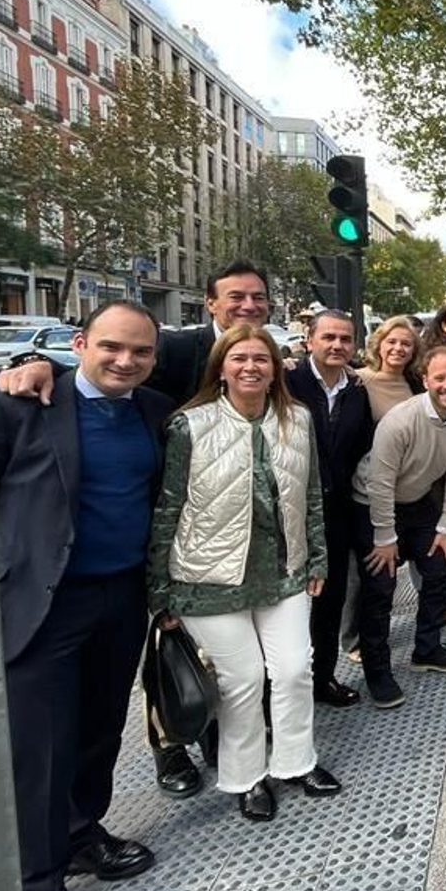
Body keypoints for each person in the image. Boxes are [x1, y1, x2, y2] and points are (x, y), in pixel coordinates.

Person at [0, 259, 274, 799]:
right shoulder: (170, 348)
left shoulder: (262, 356)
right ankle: (168, 747)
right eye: (235, 297)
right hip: (118, 556)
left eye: (257, 297)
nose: (247, 305)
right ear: (211, 302)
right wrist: (33, 362)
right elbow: (98, 368)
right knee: (167, 650)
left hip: (203, 535)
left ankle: (206, 745)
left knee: (204, 657)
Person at [0, 302, 169, 891]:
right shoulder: (18, 406)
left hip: (120, 597)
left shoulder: (151, 412)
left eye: (141, 353)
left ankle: (82, 833)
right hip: (44, 606)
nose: (126, 361)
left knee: (99, 728)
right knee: (42, 745)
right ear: (79, 343)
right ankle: (37, 882)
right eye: (113, 347)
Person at [147, 324, 340, 823]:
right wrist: (159, 590)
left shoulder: (296, 420)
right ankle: (247, 777)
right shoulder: (190, 425)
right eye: (240, 358)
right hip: (208, 578)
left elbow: (312, 495)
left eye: (262, 358)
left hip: (284, 571)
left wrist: (317, 555)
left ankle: (296, 761)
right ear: (222, 368)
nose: (251, 367)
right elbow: (168, 507)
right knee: (243, 680)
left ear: (276, 367)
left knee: (296, 669)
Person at [356, 346, 446, 699]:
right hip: (372, 504)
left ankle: (427, 650)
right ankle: (377, 672)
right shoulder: (400, 420)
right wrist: (385, 536)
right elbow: (380, 482)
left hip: (418, 500)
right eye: (439, 377)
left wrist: (445, 529)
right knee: (381, 588)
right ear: (425, 380)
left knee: (440, 568)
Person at [283, 310, 373, 708]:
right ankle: (284, 692)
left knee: (330, 603)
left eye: (345, 339)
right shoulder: (287, 382)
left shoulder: (356, 391)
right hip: (288, 512)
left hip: (336, 514)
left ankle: (323, 679)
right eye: (329, 337)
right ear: (310, 340)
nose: (337, 345)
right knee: (286, 609)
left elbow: (360, 448)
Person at [361, 316, 425, 410]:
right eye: (391, 342)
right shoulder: (359, 380)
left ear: (414, 351)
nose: (398, 348)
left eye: (405, 344)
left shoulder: (417, 383)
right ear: (378, 346)